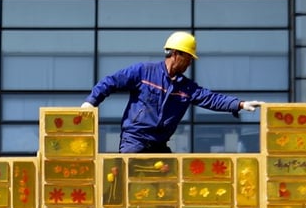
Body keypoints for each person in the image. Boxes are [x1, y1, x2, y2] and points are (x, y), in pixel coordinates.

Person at [81, 31, 263, 153]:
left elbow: (211, 98)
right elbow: (110, 82)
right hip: (134, 142)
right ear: (176, 54)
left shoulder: (187, 88)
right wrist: (91, 102)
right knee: (126, 188)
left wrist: (239, 104)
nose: (190, 63)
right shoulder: (143, 72)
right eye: (188, 58)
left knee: (168, 192)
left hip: (160, 146)